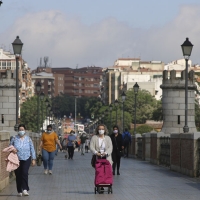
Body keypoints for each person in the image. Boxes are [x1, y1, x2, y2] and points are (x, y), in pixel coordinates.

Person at [9, 124, 36, 197]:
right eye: (20, 130)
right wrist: (13, 150)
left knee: (24, 173)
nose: (21, 131)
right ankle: (19, 190)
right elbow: (10, 147)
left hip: (26, 158)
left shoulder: (28, 139)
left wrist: (33, 159)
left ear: (25, 130)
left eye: (22, 130)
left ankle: (25, 189)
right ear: (18, 130)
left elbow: (32, 149)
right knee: (18, 174)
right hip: (17, 159)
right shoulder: (14, 138)